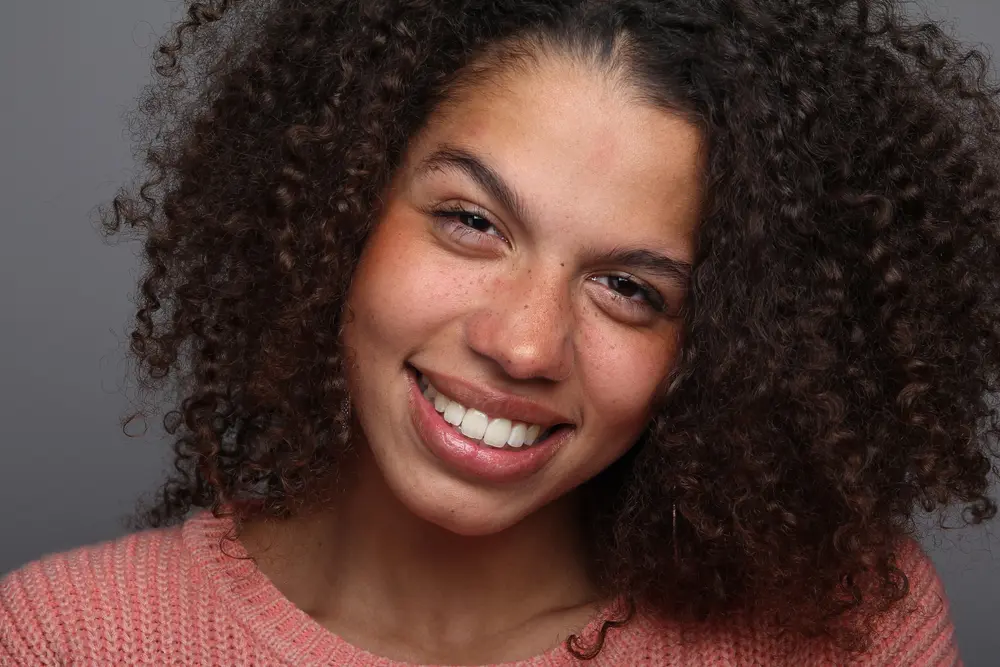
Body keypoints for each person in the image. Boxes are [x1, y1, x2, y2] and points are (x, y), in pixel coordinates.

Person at [2, 0, 998, 664]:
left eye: (627, 288)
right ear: (335, 213)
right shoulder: (69, 640)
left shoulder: (845, 633)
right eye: (471, 223)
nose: (524, 345)